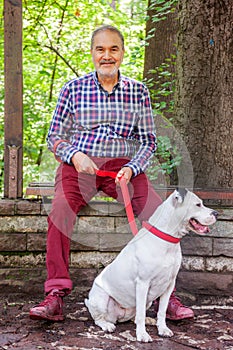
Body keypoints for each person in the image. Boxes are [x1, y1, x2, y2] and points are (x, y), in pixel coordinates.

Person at [29, 25, 194, 322]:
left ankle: (164, 297)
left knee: (159, 213)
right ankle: (55, 294)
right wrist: (74, 155)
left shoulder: (138, 91)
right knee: (59, 211)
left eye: (113, 49)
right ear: (92, 53)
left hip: (123, 168)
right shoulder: (72, 89)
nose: (107, 55)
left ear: (122, 52)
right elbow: (55, 136)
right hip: (80, 166)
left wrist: (132, 167)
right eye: (100, 49)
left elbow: (148, 141)